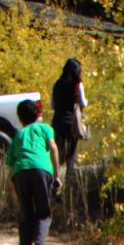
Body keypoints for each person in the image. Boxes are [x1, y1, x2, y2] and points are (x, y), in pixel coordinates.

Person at [5, 97, 59, 245]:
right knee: (43, 213)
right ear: (38, 114)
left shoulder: (18, 136)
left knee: (26, 218)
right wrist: (57, 175)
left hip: (21, 174)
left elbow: (11, 164)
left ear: (20, 118)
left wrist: (15, 189)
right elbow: (53, 147)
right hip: (42, 171)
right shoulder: (45, 129)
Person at [50, 57, 88, 187]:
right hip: (72, 122)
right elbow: (83, 103)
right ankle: (70, 183)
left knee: (58, 154)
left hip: (58, 121)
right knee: (71, 153)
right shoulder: (77, 85)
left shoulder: (57, 84)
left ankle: (56, 181)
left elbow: (52, 105)